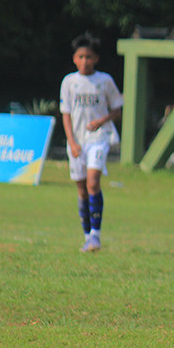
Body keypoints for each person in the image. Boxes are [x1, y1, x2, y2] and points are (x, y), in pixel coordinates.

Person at [59, 34, 124, 253]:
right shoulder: (69, 82)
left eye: (89, 56)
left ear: (96, 58)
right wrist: (72, 142)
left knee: (93, 182)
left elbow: (117, 108)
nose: (85, 60)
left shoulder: (105, 81)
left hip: (99, 138)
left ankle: (96, 235)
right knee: (81, 189)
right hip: (77, 141)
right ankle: (87, 236)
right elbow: (65, 114)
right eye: (80, 56)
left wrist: (101, 120)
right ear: (74, 59)